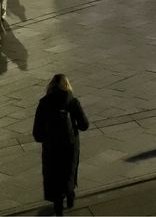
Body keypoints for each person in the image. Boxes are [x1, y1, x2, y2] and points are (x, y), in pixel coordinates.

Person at [32, 74, 90, 216]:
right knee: (68, 171)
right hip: (70, 145)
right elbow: (84, 125)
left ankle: (58, 206)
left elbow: (37, 134)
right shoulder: (72, 101)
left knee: (54, 174)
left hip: (52, 147)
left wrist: (47, 137)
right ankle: (70, 196)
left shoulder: (44, 103)